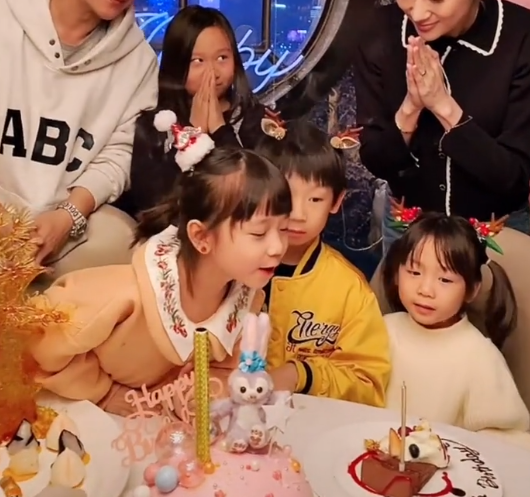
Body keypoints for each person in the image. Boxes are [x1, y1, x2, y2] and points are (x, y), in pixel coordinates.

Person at [30, 120, 292, 415]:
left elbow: (225, 371)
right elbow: (37, 343)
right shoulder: (124, 296)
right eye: (259, 233)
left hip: (158, 428)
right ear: (201, 237)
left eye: (283, 229)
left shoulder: (246, 303)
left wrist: (196, 396)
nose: (277, 247)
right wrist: (103, 392)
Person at [0, 0, 170, 277]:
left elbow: (120, 154)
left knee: (122, 241)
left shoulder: (137, 62)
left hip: (61, 226)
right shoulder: (5, 16)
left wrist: (68, 216)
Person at [354, 0, 530, 253]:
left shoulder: (521, 38)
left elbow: (514, 179)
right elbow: (377, 159)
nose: (418, 11)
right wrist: (411, 108)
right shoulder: (379, 33)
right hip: (409, 231)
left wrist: (444, 107)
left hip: (499, 233)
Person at [255, 117, 390, 406]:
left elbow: (368, 383)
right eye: (286, 197)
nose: (298, 214)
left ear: (336, 201)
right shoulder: (230, 269)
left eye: (315, 199)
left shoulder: (349, 289)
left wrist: (302, 374)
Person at [382, 211, 530, 447]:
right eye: (414, 272)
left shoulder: (479, 356)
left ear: (471, 289)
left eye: (445, 280)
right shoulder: (382, 329)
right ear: (397, 274)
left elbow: (510, 440)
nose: (425, 289)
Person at [129, 5, 265, 216]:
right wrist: (193, 134)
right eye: (198, 61)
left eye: (222, 58)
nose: (212, 72)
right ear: (177, 64)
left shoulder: (254, 118)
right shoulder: (156, 123)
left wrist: (220, 130)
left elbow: (256, 197)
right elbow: (152, 203)